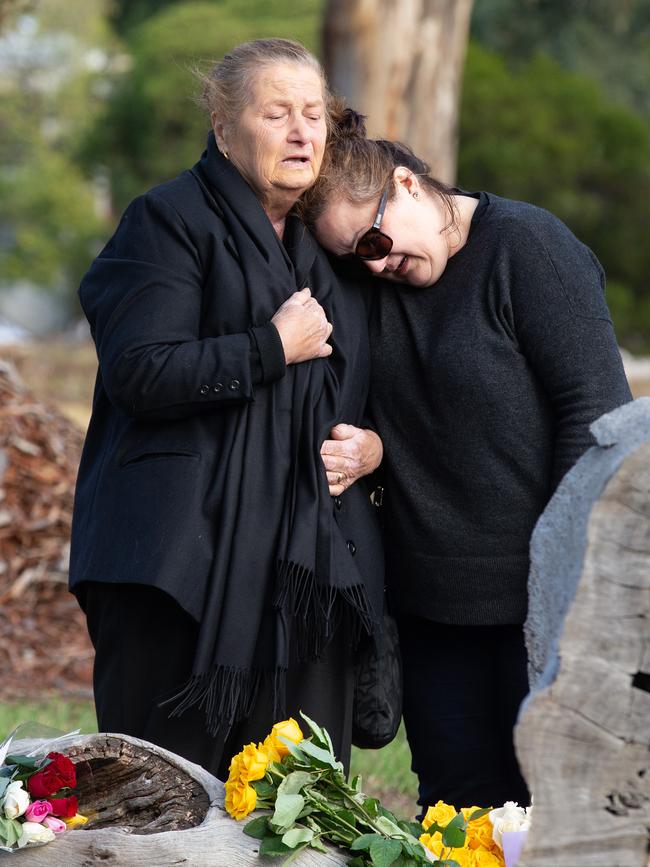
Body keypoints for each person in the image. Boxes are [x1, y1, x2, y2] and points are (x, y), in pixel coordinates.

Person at [68, 42, 385, 780]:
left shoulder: (322, 245)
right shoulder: (166, 220)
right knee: (164, 803)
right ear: (222, 127)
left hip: (303, 567)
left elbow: (360, 388)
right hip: (178, 566)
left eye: (315, 114)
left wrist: (371, 448)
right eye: (277, 114)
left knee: (299, 813)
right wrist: (270, 347)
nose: (304, 133)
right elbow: (139, 371)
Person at [300, 109, 633, 811]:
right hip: (430, 614)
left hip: (544, 611)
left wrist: (564, 583)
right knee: (454, 817)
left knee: (559, 811)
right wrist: (373, 447)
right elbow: (403, 413)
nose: (375, 263)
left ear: (407, 184)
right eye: (354, 257)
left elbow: (596, 418)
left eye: (375, 239)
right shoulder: (377, 287)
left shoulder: (528, 248)